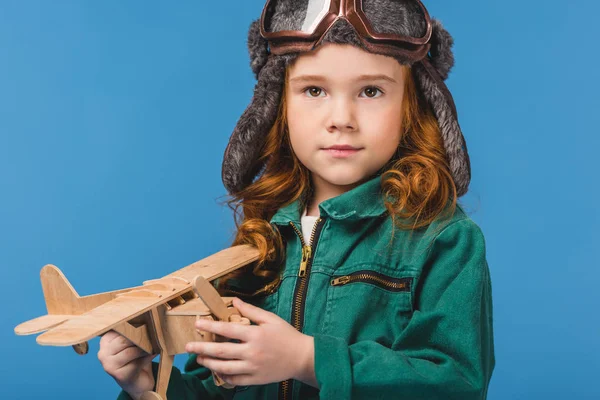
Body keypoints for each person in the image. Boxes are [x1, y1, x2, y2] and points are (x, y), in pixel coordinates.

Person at [98, 1, 495, 399]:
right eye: (314, 90)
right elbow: (217, 382)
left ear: (414, 105)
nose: (341, 117)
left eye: (371, 90)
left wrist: (308, 359)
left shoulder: (445, 242)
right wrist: (146, 385)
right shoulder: (262, 240)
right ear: (278, 104)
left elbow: (456, 382)